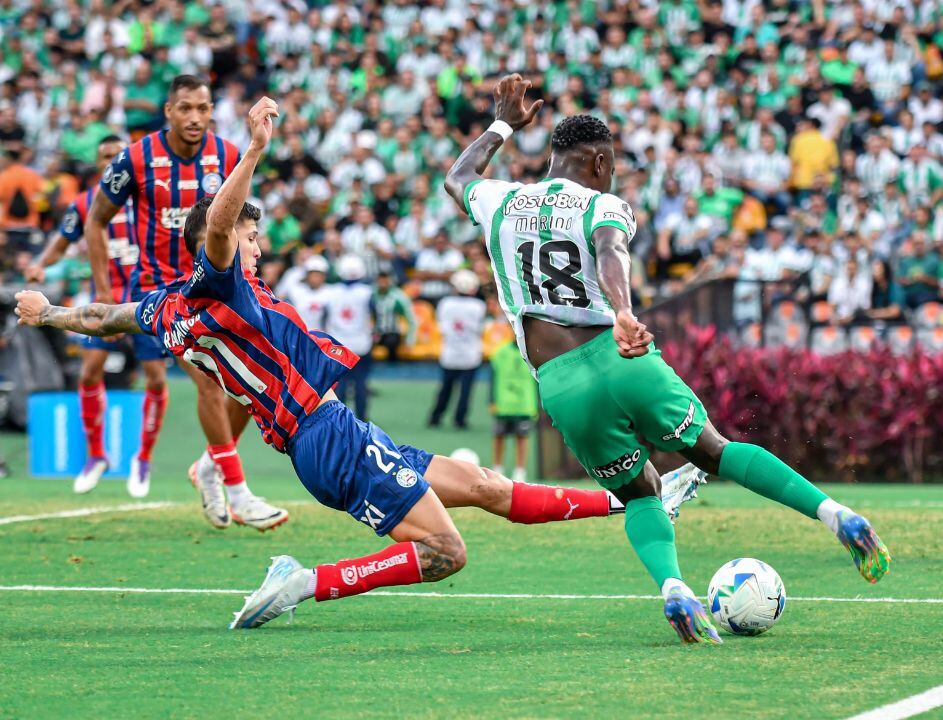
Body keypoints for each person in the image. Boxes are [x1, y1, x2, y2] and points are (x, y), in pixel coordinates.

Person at [14, 97, 703, 631]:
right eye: (253, 236)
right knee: (446, 553)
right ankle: (303, 582)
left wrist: (48, 313)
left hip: (334, 429)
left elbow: (106, 317)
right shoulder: (216, 277)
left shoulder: (165, 307)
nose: (257, 246)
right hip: (323, 438)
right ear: (219, 244)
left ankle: (634, 498)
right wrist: (251, 152)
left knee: (488, 485)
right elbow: (218, 229)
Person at [444, 74, 891, 644]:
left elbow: (457, 177)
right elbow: (610, 251)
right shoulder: (606, 204)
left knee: (638, 492)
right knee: (713, 452)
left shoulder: (501, 199)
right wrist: (623, 312)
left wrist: (504, 123)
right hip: (620, 354)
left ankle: (674, 589)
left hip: (558, 382)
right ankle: (837, 516)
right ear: (601, 163)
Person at [83, 74, 284, 529]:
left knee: (252, 380)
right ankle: (235, 488)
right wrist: (102, 291)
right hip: (161, 291)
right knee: (211, 381)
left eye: (203, 108)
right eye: (186, 109)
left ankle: (212, 465)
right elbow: (96, 221)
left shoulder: (228, 155)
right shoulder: (136, 158)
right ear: (169, 112)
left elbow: (242, 219)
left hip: (214, 287)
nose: (195, 117)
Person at [24, 135, 140, 494]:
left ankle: (153, 458)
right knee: (90, 370)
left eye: (116, 156)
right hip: (104, 301)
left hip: (149, 294)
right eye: (104, 156)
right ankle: (96, 454)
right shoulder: (87, 203)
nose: (110, 162)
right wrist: (41, 265)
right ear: (97, 161)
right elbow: (60, 243)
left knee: (172, 372)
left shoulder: (147, 198)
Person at [429, 269, 487, 428]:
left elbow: (441, 326)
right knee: (465, 391)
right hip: (470, 354)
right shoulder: (479, 306)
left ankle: (435, 417)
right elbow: (481, 328)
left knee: (445, 389)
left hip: (450, 353)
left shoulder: (445, 303)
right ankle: (459, 420)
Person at [325, 255, 376, 421]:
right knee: (361, 383)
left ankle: (339, 417)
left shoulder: (330, 292)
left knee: (339, 384)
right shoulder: (367, 292)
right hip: (361, 343)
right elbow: (375, 314)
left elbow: (324, 317)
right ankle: (362, 418)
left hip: (338, 345)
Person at [490, 336, 538, 483]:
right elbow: (493, 377)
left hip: (525, 405)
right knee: (499, 437)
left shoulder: (532, 353)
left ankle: (520, 471)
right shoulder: (500, 353)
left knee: (522, 438)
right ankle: (497, 469)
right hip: (503, 404)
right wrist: (491, 400)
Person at [373, 271, 417, 362]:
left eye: (385, 281)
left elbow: (411, 319)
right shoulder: (372, 294)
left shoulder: (398, 297)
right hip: (375, 333)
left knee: (391, 344)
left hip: (391, 332)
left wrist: (409, 341)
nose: (382, 283)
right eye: (380, 281)